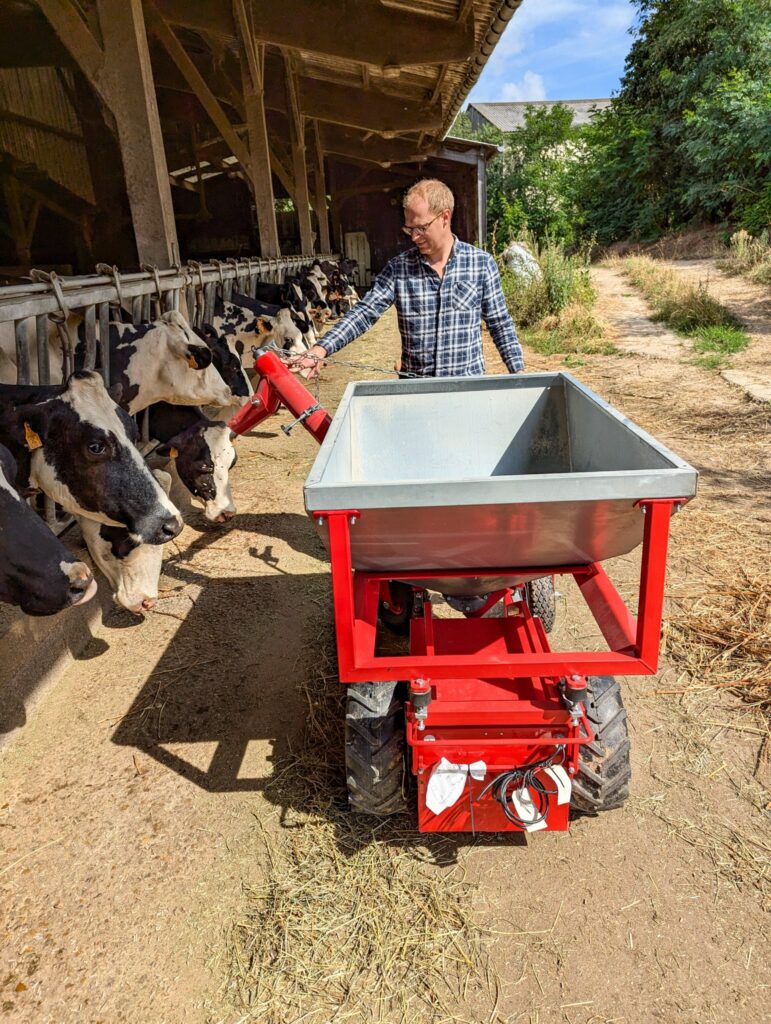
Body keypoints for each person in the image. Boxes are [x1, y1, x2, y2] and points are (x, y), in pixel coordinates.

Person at [293, 178, 524, 379]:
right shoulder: (399, 269)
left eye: (421, 228)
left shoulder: (480, 264)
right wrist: (321, 348)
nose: (414, 237)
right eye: (409, 229)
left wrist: (519, 374)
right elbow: (365, 312)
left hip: (466, 389)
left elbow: (499, 323)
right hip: (415, 391)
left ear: (445, 217)